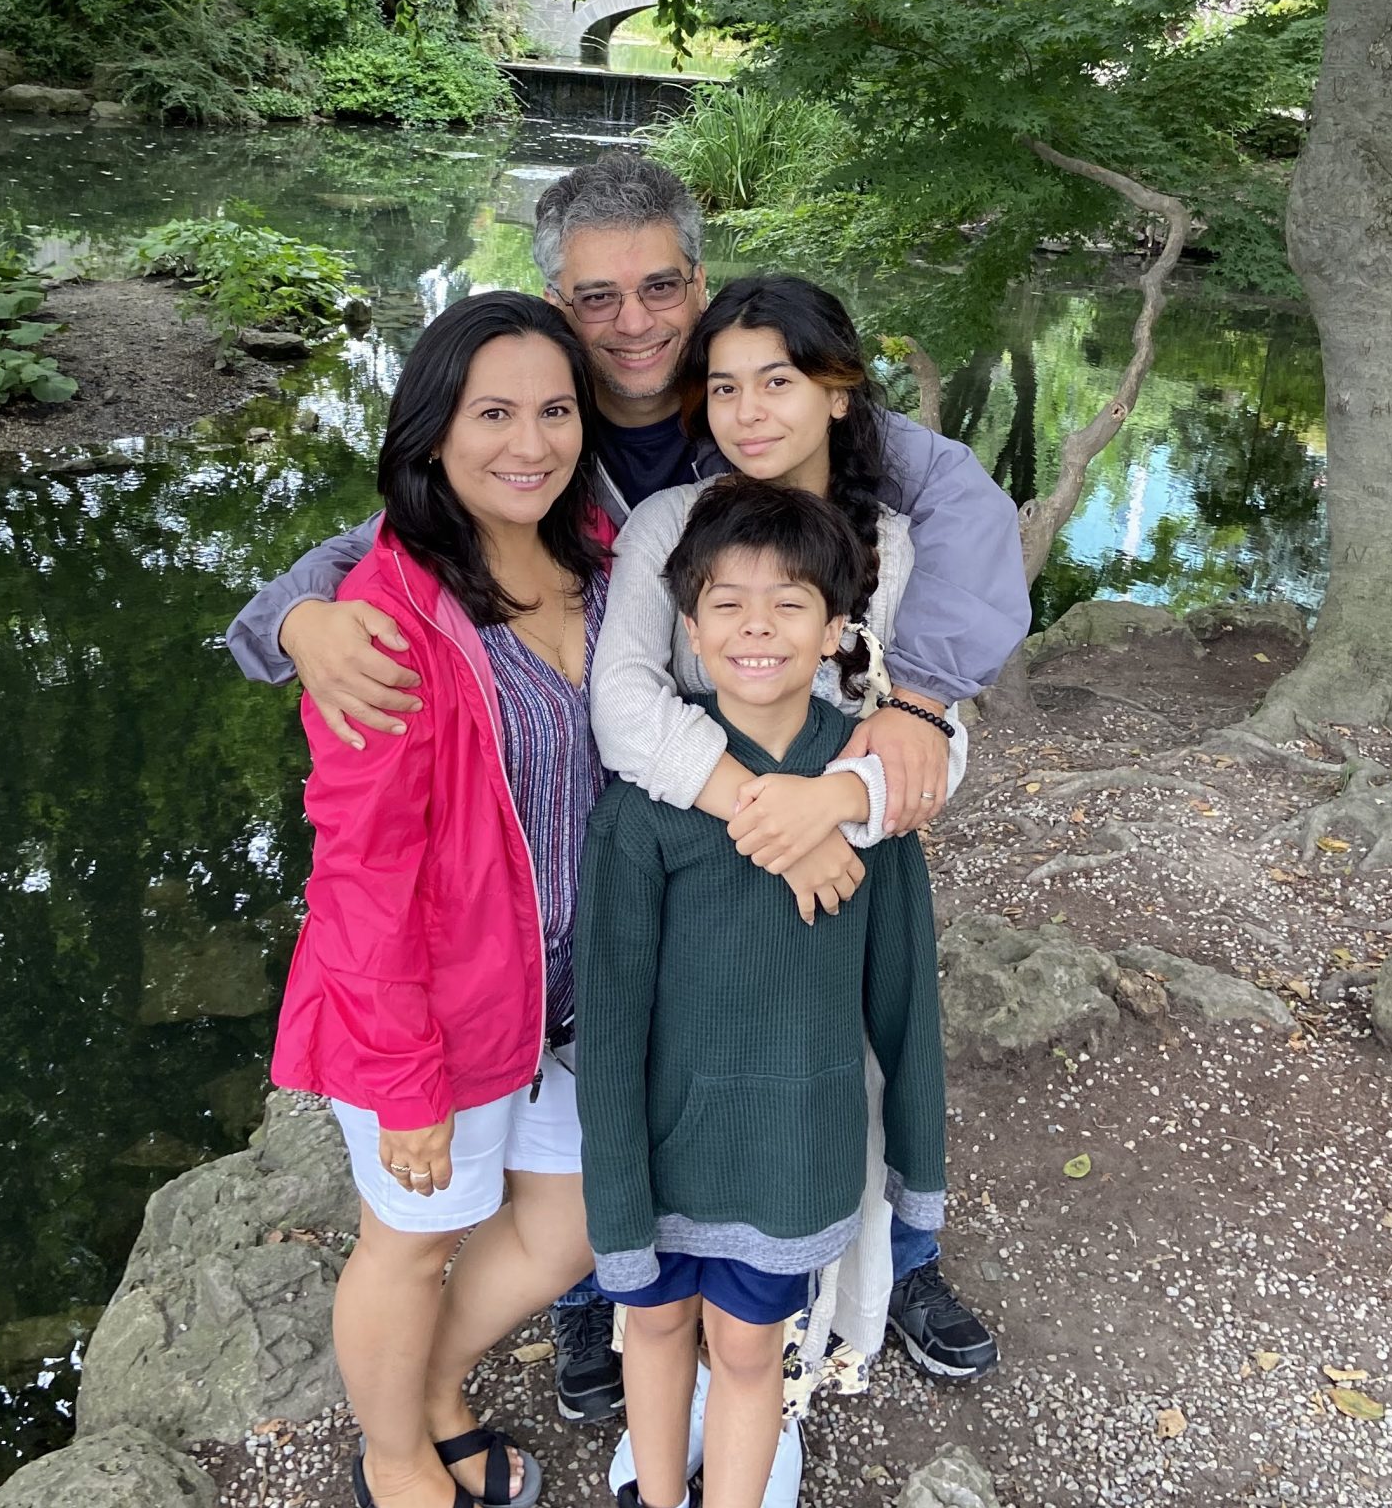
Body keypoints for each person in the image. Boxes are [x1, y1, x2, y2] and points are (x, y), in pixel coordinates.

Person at [227, 150, 1030, 1415]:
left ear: (698, 283)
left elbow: (965, 515)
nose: (635, 321)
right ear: (559, 301)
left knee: (852, 1049)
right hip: (642, 830)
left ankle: (891, 1262)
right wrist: (291, 619)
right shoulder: (550, 421)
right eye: (596, 297)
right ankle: (607, 1296)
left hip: (825, 803)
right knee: (643, 1061)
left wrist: (921, 702)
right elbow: (403, 526)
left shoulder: (777, 399)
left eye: (659, 287)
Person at [569, 482, 947, 1508]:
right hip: (663, 1146)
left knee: (746, 1353)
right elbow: (610, 1019)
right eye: (726, 604)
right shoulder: (647, 804)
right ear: (687, 625)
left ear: (839, 627)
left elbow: (905, 1001)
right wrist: (614, 1190)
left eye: (789, 604)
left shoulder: (867, 792)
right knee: (652, 1331)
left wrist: (921, 1173)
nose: (756, 628)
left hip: (792, 1148)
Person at [269, 290, 607, 1508]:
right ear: (433, 430)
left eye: (555, 410)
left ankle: (433, 1384)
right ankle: (397, 1461)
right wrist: (405, 1076)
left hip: (574, 1000)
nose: (530, 442)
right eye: (493, 413)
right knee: (411, 1241)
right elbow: (362, 873)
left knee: (565, 1229)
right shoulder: (384, 618)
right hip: (436, 1011)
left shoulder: (602, 555)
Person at [589, 272, 983, 1391]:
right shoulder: (669, 527)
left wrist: (833, 808)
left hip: (844, 893)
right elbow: (622, 705)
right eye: (723, 387)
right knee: (684, 1112)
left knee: (845, 1104)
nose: (749, 411)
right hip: (701, 886)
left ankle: (827, 1338)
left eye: (778, 381)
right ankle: (656, 1353)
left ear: (839, 392)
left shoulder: (893, 544)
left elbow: (936, 744)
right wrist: (777, 816)